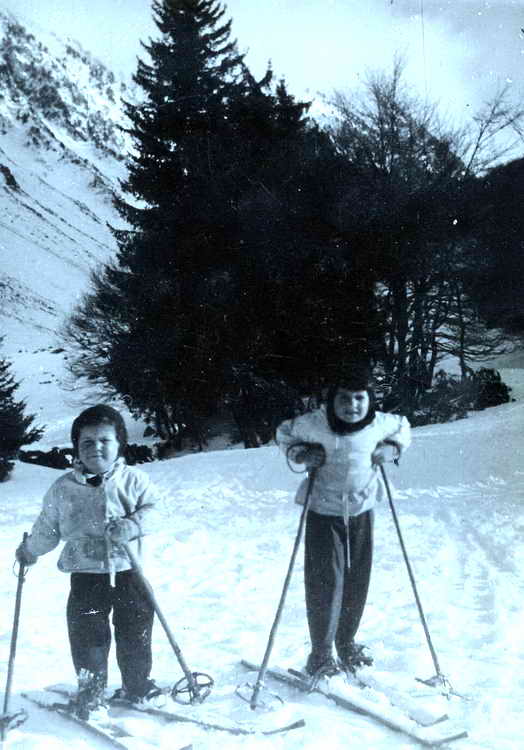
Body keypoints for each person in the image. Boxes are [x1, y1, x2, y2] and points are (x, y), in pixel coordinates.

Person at [16, 405, 163, 719]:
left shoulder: (134, 480)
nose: (95, 447)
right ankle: (92, 693)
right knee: (88, 637)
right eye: (86, 442)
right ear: (76, 450)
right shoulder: (63, 488)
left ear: (119, 444)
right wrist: (30, 550)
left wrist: (133, 525)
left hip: (129, 572)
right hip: (85, 576)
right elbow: (47, 527)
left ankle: (137, 685)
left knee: (136, 631)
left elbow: (155, 509)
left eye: (104, 441)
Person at [276, 368, 411, 680]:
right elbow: (284, 433)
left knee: (358, 578)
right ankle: (320, 655)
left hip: (362, 510)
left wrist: (391, 448)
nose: (353, 405)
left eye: (359, 398)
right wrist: (300, 452)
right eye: (345, 398)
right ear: (332, 400)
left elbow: (403, 427)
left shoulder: (379, 424)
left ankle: (346, 643)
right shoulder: (314, 424)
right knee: (326, 582)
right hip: (324, 512)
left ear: (369, 400)